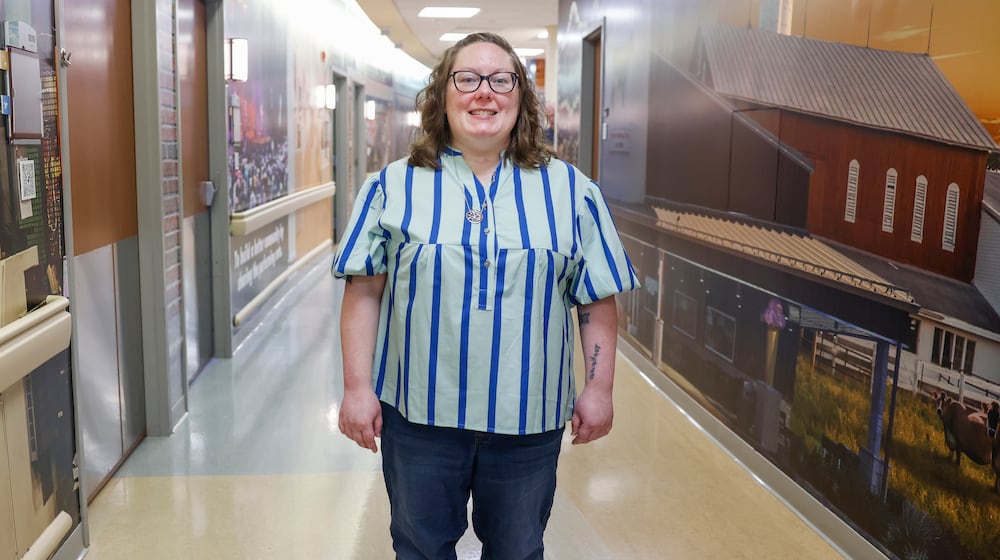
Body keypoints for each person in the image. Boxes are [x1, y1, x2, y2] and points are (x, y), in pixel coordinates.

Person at [332, 32, 638, 560]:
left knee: (518, 551)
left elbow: (596, 301)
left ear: (521, 98)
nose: (484, 93)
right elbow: (364, 291)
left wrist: (600, 386)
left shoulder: (571, 192)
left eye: (502, 80)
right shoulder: (392, 187)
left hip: (527, 425)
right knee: (420, 549)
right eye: (467, 79)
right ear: (443, 95)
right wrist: (358, 387)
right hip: (419, 421)